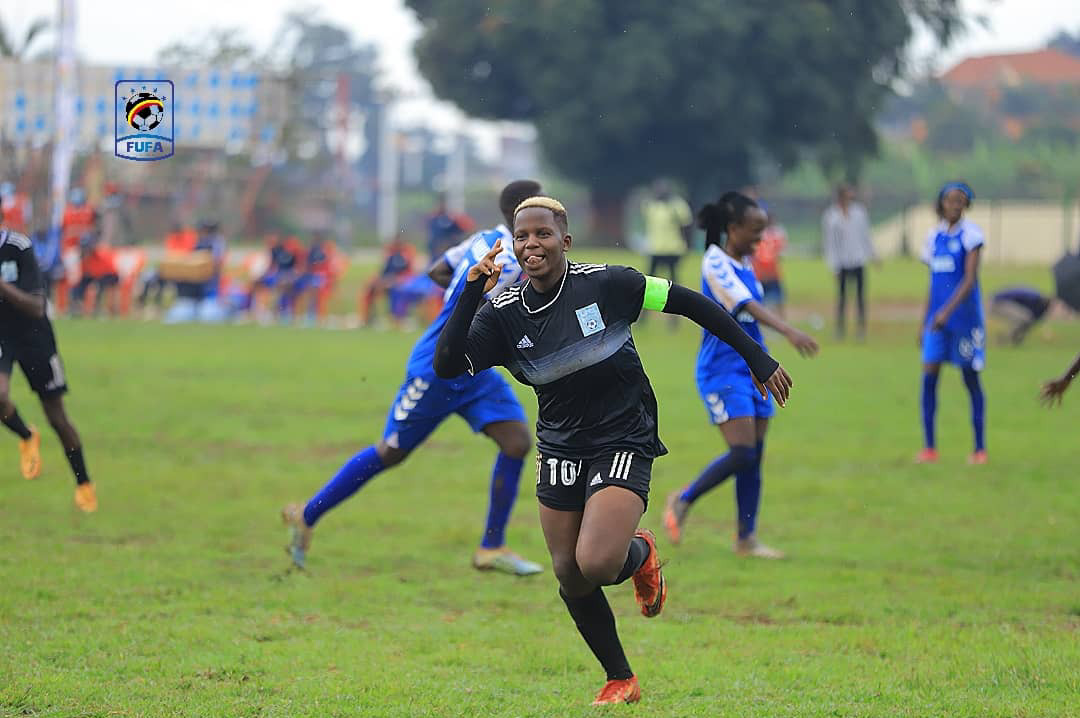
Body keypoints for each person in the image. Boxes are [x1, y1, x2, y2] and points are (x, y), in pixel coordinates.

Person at [433, 196, 792, 705]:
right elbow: (448, 364)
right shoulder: (503, 312)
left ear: (565, 240)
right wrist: (470, 293)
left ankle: (640, 553)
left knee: (598, 562)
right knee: (568, 572)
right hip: (560, 440)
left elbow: (689, 301)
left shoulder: (606, 284)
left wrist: (757, 357)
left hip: (623, 429)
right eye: (522, 237)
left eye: (543, 234)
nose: (532, 244)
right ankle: (620, 677)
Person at [281, 181, 549, 577]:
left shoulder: (484, 238)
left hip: (475, 368)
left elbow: (437, 270)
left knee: (516, 442)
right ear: (522, 216)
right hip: (437, 368)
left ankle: (491, 547)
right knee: (391, 452)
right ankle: (307, 513)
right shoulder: (511, 263)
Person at [664, 192, 818, 557]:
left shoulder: (746, 263)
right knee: (742, 451)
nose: (760, 239)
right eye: (754, 230)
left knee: (755, 455)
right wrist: (790, 330)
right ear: (732, 228)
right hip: (722, 368)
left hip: (756, 368)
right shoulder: (715, 262)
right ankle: (683, 499)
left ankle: (746, 539)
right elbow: (744, 305)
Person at [0, 197, 97, 512]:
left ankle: (83, 483)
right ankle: (26, 435)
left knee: (57, 417)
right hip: (2, 334)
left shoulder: (19, 247)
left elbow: (36, 306)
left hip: (34, 335)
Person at [917, 181, 987, 465]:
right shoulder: (933, 237)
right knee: (929, 379)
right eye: (950, 200)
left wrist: (946, 312)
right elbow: (933, 284)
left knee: (970, 379)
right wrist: (925, 320)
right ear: (942, 203)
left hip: (965, 321)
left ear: (966, 204)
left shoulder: (971, 235)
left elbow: (969, 280)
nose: (955, 205)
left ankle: (979, 449)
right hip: (937, 322)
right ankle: (930, 447)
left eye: (960, 200)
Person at [822, 184, 875, 339]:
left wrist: (872, 254)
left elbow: (866, 235)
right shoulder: (831, 216)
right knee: (842, 298)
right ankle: (840, 329)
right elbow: (829, 243)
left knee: (860, 297)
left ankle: (861, 329)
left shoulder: (859, 213)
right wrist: (834, 266)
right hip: (842, 262)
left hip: (858, 259)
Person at [358, 234, 417, 326]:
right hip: (387, 281)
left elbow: (409, 274)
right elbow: (384, 271)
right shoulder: (390, 254)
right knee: (370, 288)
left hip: (400, 283)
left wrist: (393, 280)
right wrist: (379, 280)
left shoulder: (407, 254)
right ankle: (367, 318)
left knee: (396, 291)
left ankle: (396, 319)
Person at [640, 179, 692, 284]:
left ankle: (675, 298)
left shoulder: (677, 205)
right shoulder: (651, 205)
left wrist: (687, 243)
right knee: (650, 278)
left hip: (673, 248)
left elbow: (686, 225)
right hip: (655, 248)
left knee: (673, 278)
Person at [752, 204, 788, 317]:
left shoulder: (757, 233)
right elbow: (781, 252)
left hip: (763, 272)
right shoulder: (778, 233)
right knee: (777, 300)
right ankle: (781, 321)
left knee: (761, 300)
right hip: (769, 272)